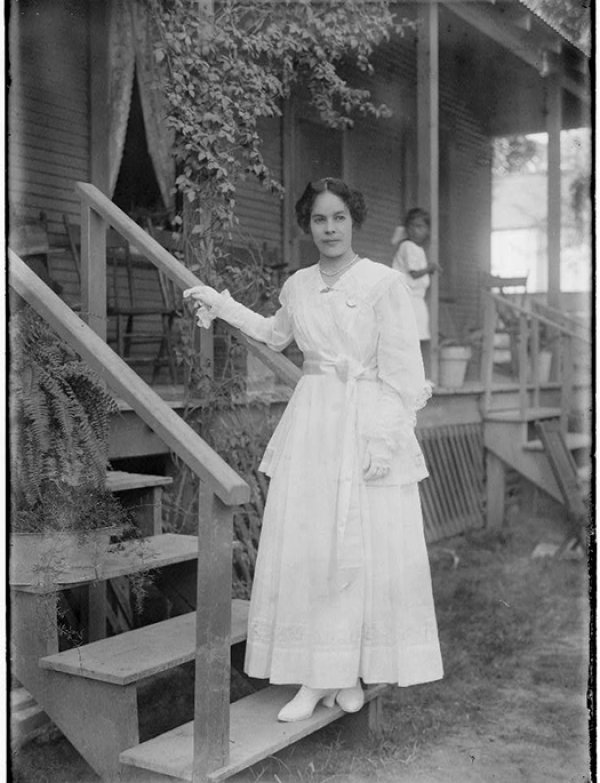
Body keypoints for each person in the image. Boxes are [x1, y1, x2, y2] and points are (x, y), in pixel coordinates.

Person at [184, 178, 443, 723]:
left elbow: (403, 371)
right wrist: (221, 304)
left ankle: (346, 672)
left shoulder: (382, 283)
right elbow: (274, 334)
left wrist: (384, 436)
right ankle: (316, 677)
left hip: (366, 419)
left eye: (340, 218)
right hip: (314, 423)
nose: (330, 229)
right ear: (308, 225)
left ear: (354, 221)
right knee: (312, 546)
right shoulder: (298, 285)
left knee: (358, 549)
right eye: (320, 219)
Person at [391, 208, 440, 348]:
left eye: (419, 226)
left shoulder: (417, 249)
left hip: (415, 299)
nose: (414, 230)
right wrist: (430, 268)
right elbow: (414, 273)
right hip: (407, 298)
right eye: (411, 226)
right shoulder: (408, 246)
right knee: (408, 337)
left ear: (427, 230)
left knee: (416, 337)